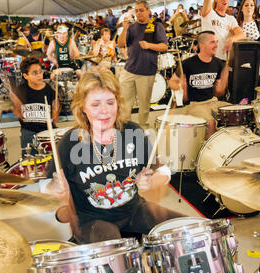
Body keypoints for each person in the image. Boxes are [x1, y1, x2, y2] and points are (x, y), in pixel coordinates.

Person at [42, 67, 186, 244]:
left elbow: (163, 172)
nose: (105, 111)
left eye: (110, 102)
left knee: (187, 230)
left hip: (133, 210)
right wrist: (54, 190)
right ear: (82, 108)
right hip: (92, 220)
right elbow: (46, 189)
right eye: (96, 104)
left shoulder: (133, 132)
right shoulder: (69, 143)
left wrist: (151, 182)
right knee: (114, 254)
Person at [117, 1, 168, 128]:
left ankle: (142, 130)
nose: (139, 13)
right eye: (136, 10)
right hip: (129, 70)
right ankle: (124, 129)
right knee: (124, 104)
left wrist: (149, 45)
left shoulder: (156, 26)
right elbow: (121, 44)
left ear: (148, 11)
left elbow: (164, 46)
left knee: (144, 106)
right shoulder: (132, 27)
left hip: (146, 72)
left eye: (141, 10)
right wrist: (124, 29)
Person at [169, 31, 229, 138]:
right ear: (202, 45)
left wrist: (223, 81)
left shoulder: (219, 63)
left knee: (236, 113)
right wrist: (180, 88)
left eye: (216, 42)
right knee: (210, 123)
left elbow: (219, 91)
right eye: (212, 42)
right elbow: (172, 82)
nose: (216, 45)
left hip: (212, 101)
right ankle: (207, 151)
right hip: (195, 104)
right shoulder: (188, 64)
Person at [9, 57, 59, 156]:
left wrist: (56, 109)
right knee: (29, 160)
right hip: (29, 130)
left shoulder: (49, 89)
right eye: (35, 73)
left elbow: (55, 113)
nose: (40, 75)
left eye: (40, 72)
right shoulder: (20, 90)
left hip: (47, 129)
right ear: (25, 76)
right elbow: (17, 112)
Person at [236, 0, 260, 76]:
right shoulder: (236, 23)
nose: (249, 8)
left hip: (255, 62)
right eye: (246, 5)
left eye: (252, 5)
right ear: (242, 8)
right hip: (238, 62)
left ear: (254, 8)